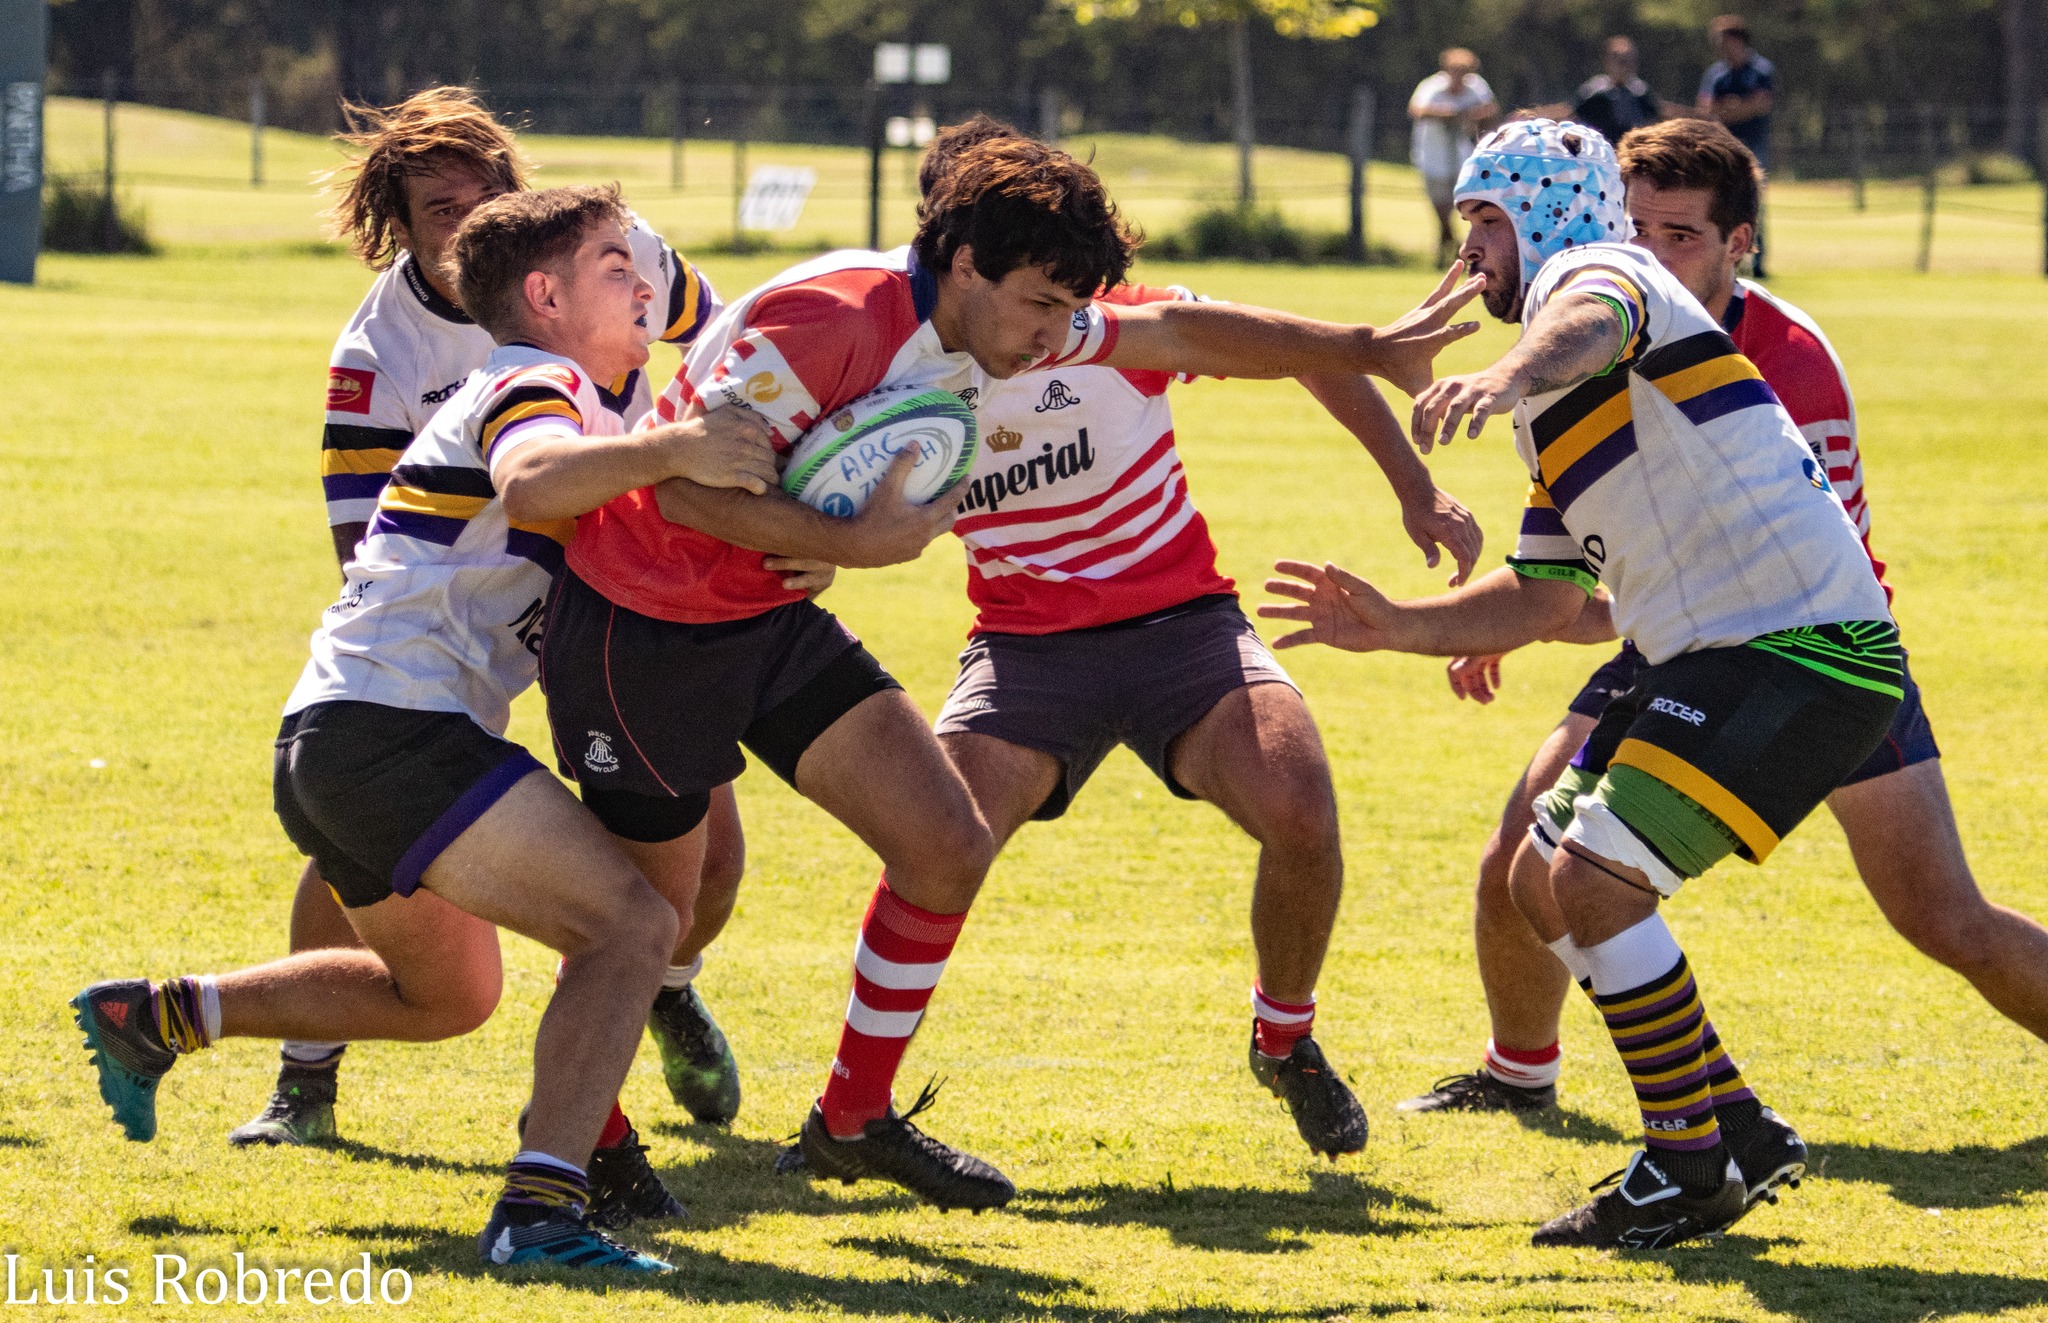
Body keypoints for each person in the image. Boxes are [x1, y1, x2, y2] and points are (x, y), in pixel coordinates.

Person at [541, 134, 1483, 1209]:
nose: (1054, 336)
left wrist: (1366, 345)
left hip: (827, 619)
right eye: (1038, 304)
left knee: (955, 839)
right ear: (964, 262)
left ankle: (855, 1118)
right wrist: (851, 543)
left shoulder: (1022, 326)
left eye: (1065, 311)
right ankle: (590, 1142)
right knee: (642, 922)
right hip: (653, 623)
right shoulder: (824, 318)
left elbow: (1178, 328)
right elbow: (671, 488)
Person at [73, 186, 785, 1272]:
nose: (644, 282)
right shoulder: (530, 381)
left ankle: (163, 1015)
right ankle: (541, 1217)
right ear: (542, 297)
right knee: (631, 928)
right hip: (393, 731)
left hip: (335, 738)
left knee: (447, 997)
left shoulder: (598, 410)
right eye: (611, 267)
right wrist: (678, 447)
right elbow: (533, 476)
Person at [1264, 119, 1901, 1248]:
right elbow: (1546, 597)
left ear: (1541, 210)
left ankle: (1682, 1166)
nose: (1468, 253)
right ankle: (1735, 1126)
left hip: (1799, 645)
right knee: (1541, 876)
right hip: (1712, 649)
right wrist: (1393, 627)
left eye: (1483, 221)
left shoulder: (1606, 278)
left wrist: (1502, 368)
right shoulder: (1554, 408)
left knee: (1599, 880)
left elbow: (1586, 316)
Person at [1398, 117, 2048, 1119]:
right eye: (1636, 224)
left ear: (1735, 244)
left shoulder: (1764, 348)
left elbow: (1771, 555)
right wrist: (1481, 620)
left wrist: (1511, 372)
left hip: (1792, 643)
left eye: (1680, 235)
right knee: (1526, 858)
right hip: (1674, 638)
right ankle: (1536, 1074)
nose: (1648, 250)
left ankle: (1711, 1135)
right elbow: (1566, 580)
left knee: (1942, 919)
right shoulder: (1572, 339)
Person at [907, 117, 1481, 1159]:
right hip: (1024, 649)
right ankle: (854, 1108)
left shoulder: (1116, 330)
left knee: (1299, 808)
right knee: (933, 843)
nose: (1046, 312)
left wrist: (1415, 490)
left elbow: (1312, 356)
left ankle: (1285, 1038)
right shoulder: (900, 369)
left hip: (1183, 632)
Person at [246, 86, 758, 1171]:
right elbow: (370, 544)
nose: (468, 223)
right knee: (365, 826)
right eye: (441, 210)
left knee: (708, 858)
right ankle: (307, 1075)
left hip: (620, 590)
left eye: (488, 199)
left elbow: (730, 347)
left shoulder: (602, 256)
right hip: (457, 640)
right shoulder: (378, 355)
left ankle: (659, 995)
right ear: (399, 219)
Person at [1697, 15, 1774, 275]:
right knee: (1724, 204)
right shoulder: (1717, 74)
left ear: (1737, 40)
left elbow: (1761, 105)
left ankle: (1758, 261)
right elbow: (1706, 109)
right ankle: (1730, 259)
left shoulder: (1760, 70)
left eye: (1723, 41)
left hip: (1753, 147)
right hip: (1724, 149)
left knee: (1754, 204)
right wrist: (1739, 107)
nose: (1719, 47)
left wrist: (1729, 109)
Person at [1409, 49, 1499, 266]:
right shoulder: (1431, 87)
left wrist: (1471, 115)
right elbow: (1417, 110)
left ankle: (1452, 251)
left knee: (1465, 204)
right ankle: (1452, 242)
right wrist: (1448, 113)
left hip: (1462, 156)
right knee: (1440, 206)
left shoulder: (1476, 87)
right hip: (1432, 155)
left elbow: (1490, 110)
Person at [1563, 38, 1672, 146]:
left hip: (1633, 152)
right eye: (1620, 62)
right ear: (1608, 62)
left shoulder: (1642, 94)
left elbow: (1659, 118)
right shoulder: (1593, 93)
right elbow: (1569, 115)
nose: (1625, 67)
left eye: (1629, 62)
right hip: (1600, 153)